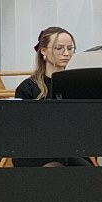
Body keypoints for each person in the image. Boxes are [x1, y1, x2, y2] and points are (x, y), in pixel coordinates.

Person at [13, 25, 92, 168]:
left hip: (68, 150)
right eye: (59, 48)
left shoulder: (76, 85)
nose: (66, 53)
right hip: (34, 152)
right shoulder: (28, 87)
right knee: (54, 168)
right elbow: (21, 129)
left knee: (89, 172)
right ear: (43, 51)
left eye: (70, 48)